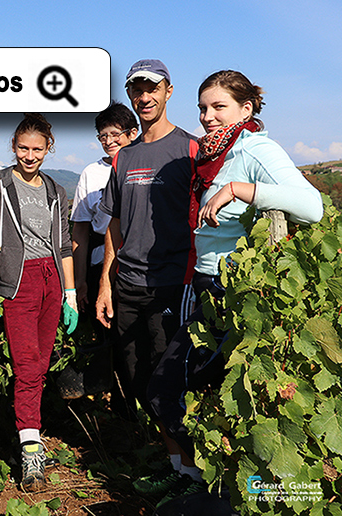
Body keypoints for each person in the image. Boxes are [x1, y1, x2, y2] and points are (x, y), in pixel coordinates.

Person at [145, 70, 323, 505]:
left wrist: (240, 189)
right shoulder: (212, 155)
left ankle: (223, 489)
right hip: (201, 284)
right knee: (197, 394)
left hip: (233, 292)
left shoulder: (253, 148)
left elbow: (312, 206)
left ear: (246, 109)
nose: (207, 116)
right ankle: (202, 482)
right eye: (203, 107)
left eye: (218, 106)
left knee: (168, 391)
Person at [0, 113, 77, 492]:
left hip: (51, 278)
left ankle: (29, 433)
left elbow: (63, 245)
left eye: (37, 149)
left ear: (49, 150)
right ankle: (31, 451)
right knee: (27, 364)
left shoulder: (54, 189)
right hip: (17, 281)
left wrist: (71, 294)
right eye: (22, 148)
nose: (29, 156)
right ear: (13, 148)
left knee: (42, 362)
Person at [94, 59, 197, 419]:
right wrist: (106, 284)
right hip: (128, 284)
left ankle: (180, 463)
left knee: (169, 379)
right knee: (135, 373)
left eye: (152, 88)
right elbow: (114, 224)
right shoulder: (124, 157)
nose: (144, 96)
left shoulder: (190, 150)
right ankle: (159, 455)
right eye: (137, 90)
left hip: (171, 282)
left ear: (168, 91)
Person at [71, 102, 137, 326]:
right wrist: (80, 281)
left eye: (115, 134)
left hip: (134, 260)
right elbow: (80, 228)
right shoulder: (91, 172)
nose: (109, 141)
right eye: (103, 136)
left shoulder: (140, 166)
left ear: (132, 133)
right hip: (99, 261)